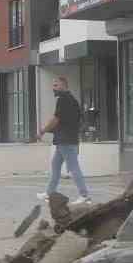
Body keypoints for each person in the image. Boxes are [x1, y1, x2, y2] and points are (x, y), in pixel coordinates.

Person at [39, 76, 92, 204]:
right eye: (53, 85)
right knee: (55, 165)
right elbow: (68, 121)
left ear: (63, 85)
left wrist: (43, 130)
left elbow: (56, 120)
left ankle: (84, 195)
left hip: (65, 140)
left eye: (56, 85)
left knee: (73, 167)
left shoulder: (63, 99)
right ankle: (49, 193)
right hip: (66, 139)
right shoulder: (73, 100)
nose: (53, 88)